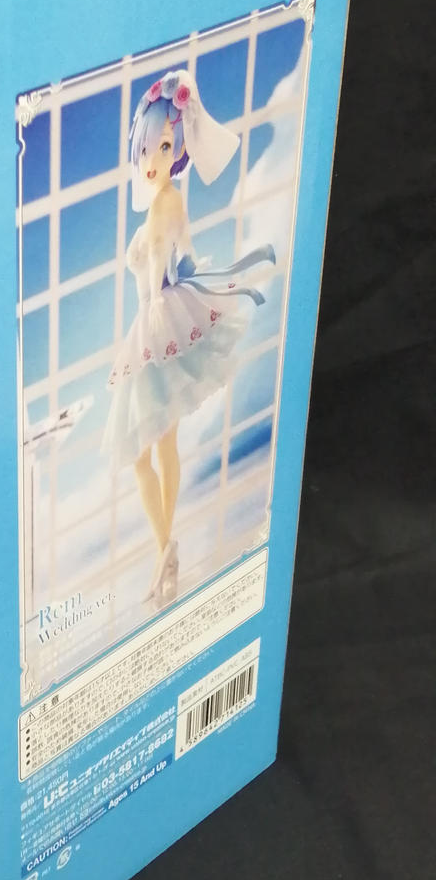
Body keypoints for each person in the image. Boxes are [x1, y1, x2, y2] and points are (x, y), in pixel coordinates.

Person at [103, 70, 275, 607]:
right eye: (146, 148)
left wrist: (170, 277)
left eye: (164, 146)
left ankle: (166, 551)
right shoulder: (160, 204)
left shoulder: (169, 201)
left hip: (162, 322)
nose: (153, 158)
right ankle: (166, 549)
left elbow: (172, 259)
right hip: (152, 323)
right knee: (148, 450)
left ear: (178, 149)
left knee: (155, 446)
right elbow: (181, 253)